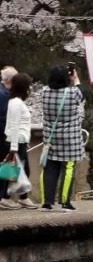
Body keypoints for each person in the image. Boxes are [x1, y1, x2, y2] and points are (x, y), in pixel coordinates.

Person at [40, 64, 85, 212]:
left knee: (49, 169)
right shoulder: (72, 93)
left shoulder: (44, 92)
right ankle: (65, 202)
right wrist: (76, 79)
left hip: (51, 139)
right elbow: (82, 93)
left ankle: (47, 202)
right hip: (69, 139)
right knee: (68, 169)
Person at [2, 73, 37, 209]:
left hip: (18, 140)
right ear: (23, 87)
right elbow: (15, 125)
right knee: (13, 170)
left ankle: (22, 198)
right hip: (15, 142)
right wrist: (14, 146)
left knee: (21, 170)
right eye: (28, 86)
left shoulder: (16, 101)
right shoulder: (16, 103)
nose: (30, 88)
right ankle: (6, 198)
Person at [0, 66, 15, 206]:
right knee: (5, 164)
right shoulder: (5, 95)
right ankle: (3, 196)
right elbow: (6, 116)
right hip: (4, 135)